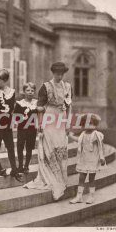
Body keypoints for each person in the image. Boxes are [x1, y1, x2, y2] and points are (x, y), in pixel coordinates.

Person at [24, 62, 72, 200]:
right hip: (49, 117)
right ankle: (50, 178)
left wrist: (67, 122)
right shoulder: (46, 87)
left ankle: (60, 178)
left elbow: (68, 106)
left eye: (62, 73)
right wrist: (40, 123)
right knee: (49, 147)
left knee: (60, 148)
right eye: (57, 72)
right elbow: (40, 107)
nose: (60, 75)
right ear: (53, 72)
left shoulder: (68, 87)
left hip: (61, 119)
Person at [69, 113, 106, 204]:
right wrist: (71, 136)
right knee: (81, 177)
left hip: (93, 159)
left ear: (95, 124)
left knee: (91, 178)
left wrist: (102, 157)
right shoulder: (83, 134)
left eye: (91, 123)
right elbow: (79, 140)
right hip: (84, 158)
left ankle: (91, 196)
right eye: (85, 123)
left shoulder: (97, 134)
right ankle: (79, 196)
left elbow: (101, 146)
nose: (88, 125)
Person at [14, 82, 37, 174]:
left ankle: (26, 166)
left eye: (32, 90)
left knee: (29, 147)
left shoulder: (36, 103)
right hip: (22, 128)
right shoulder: (20, 103)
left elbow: (39, 115)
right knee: (20, 146)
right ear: (24, 91)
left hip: (32, 129)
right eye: (28, 90)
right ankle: (20, 166)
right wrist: (22, 118)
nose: (30, 92)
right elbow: (15, 116)